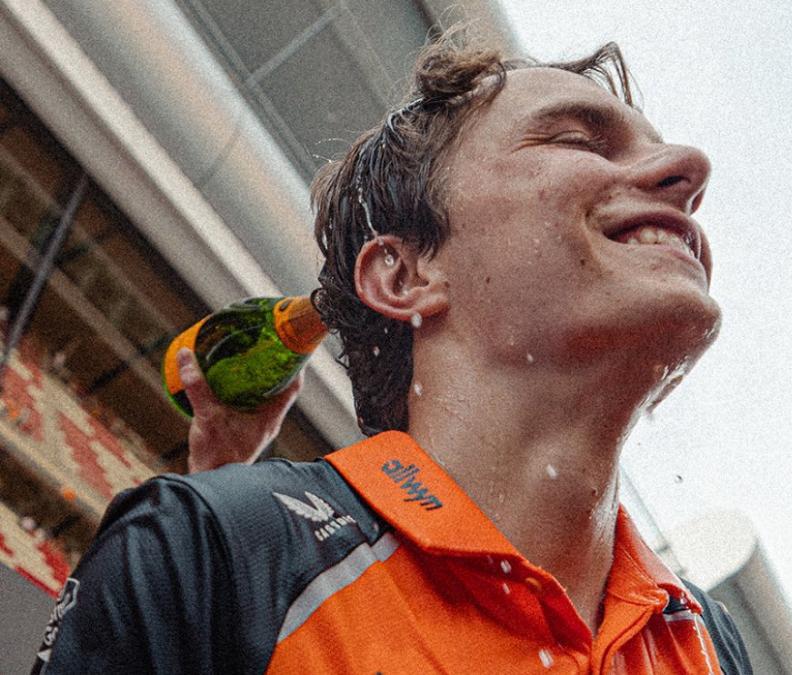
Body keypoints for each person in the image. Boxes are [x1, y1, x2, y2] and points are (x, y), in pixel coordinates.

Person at [32, 34, 751, 674]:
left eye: (657, 147)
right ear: (405, 274)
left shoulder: (710, 645)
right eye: (577, 140)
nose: (688, 166)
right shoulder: (210, 552)